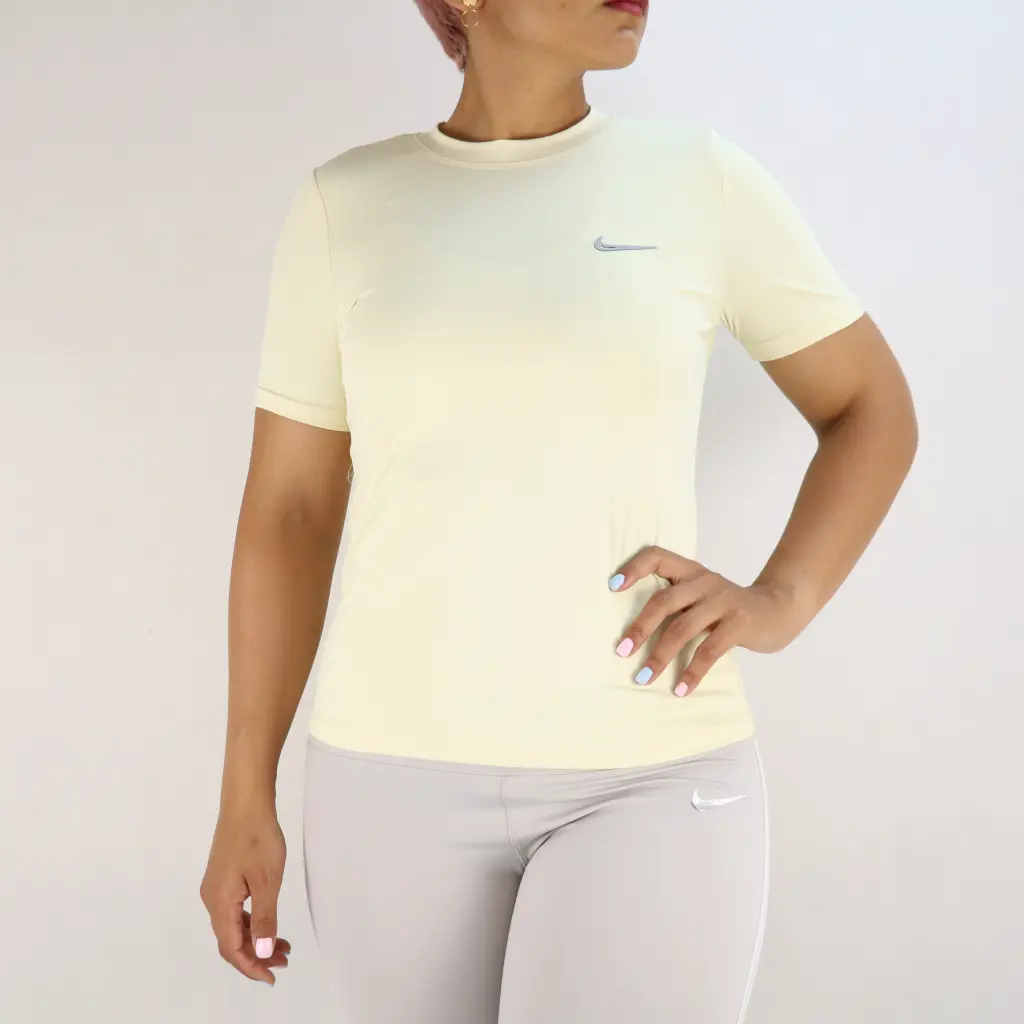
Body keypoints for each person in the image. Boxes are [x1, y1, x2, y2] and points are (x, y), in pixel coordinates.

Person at [199, 1, 918, 1021]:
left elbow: (870, 407)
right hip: (386, 784)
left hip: (649, 777)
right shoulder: (343, 206)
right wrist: (245, 794)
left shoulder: (700, 182)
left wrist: (781, 598)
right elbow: (290, 512)